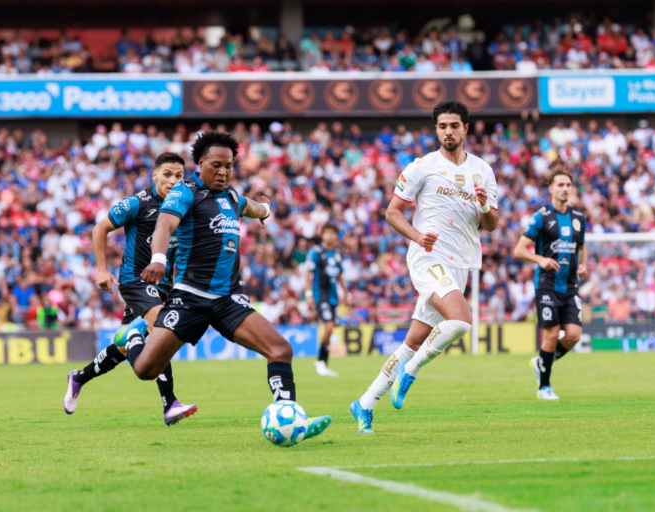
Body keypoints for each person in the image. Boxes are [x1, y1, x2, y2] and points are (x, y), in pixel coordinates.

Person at [123, 130, 331, 442]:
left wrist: (266, 209)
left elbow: (256, 208)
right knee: (145, 370)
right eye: (216, 165)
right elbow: (165, 223)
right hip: (190, 298)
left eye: (229, 166)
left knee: (280, 349)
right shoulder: (185, 192)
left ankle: (289, 417)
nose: (223, 172)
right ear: (201, 163)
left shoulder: (232, 196)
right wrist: (158, 259)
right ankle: (133, 334)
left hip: (228, 300)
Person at [349, 99, 499, 433]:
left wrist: (485, 203)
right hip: (427, 257)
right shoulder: (422, 166)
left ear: (465, 129)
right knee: (461, 321)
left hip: (460, 264)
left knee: (413, 340)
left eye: (454, 125)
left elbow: (491, 224)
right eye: (443, 126)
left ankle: (364, 403)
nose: (448, 131)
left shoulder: (482, 171)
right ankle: (412, 372)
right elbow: (392, 211)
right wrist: (417, 236)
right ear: (437, 129)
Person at [63, 152, 198, 427]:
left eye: (178, 175)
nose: (173, 181)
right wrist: (101, 269)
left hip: (164, 286)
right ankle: (170, 403)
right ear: (155, 175)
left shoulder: (185, 203)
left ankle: (79, 377)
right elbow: (100, 229)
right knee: (162, 328)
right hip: (136, 282)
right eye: (167, 174)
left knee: (124, 347)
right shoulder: (138, 203)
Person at [513, 168, 587, 400]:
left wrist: (583, 265)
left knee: (574, 335)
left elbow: (582, 247)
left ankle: (541, 362)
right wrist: (540, 259)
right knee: (552, 335)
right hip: (546, 285)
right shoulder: (541, 217)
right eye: (561, 185)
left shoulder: (579, 219)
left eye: (568, 185)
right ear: (551, 188)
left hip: (570, 286)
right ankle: (544, 387)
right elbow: (519, 249)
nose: (565, 189)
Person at [305, 223, 346, 377]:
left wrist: (346, 295)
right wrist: (308, 295)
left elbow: (340, 275)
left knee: (331, 328)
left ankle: (324, 363)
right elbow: (308, 273)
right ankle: (320, 361)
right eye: (327, 233)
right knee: (328, 327)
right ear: (322, 235)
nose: (330, 236)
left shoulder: (337, 254)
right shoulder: (315, 252)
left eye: (332, 233)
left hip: (334, 297)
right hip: (320, 295)